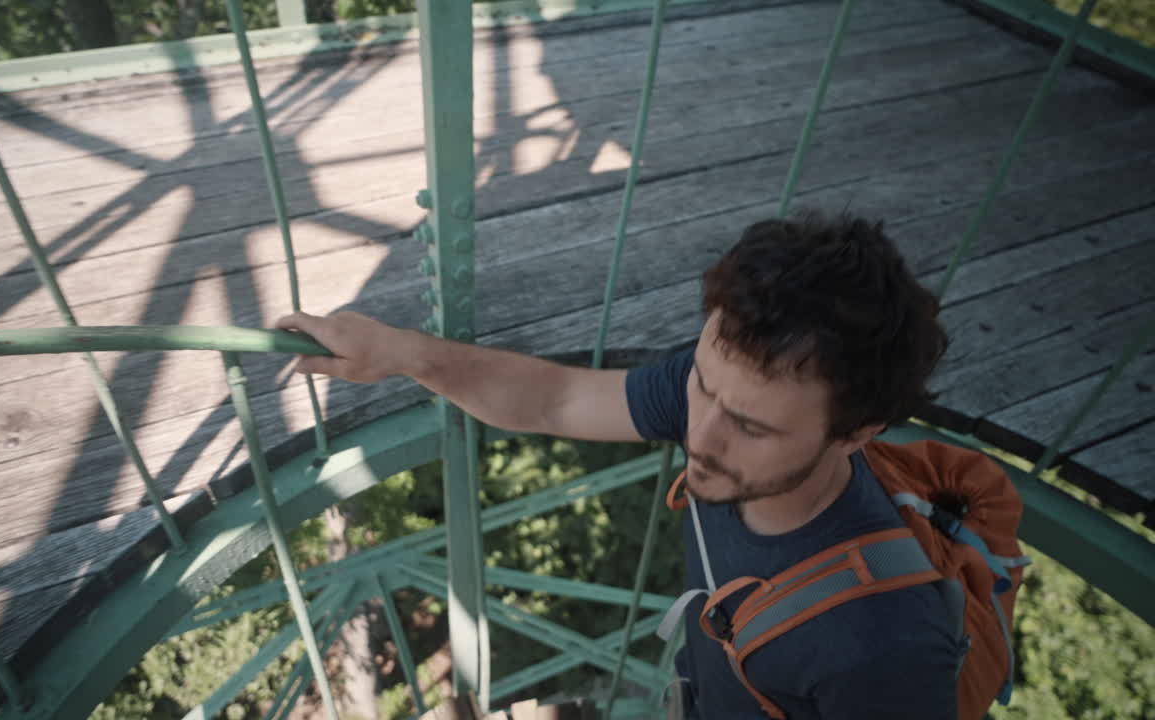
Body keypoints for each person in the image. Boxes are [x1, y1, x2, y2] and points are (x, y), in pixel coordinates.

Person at [275, 210, 960, 718]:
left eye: (750, 426)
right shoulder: (719, 403)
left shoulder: (884, 647)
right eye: (702, 383)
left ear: (854, 435)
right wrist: (400, 355)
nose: (701, 436)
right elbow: (556, 398)